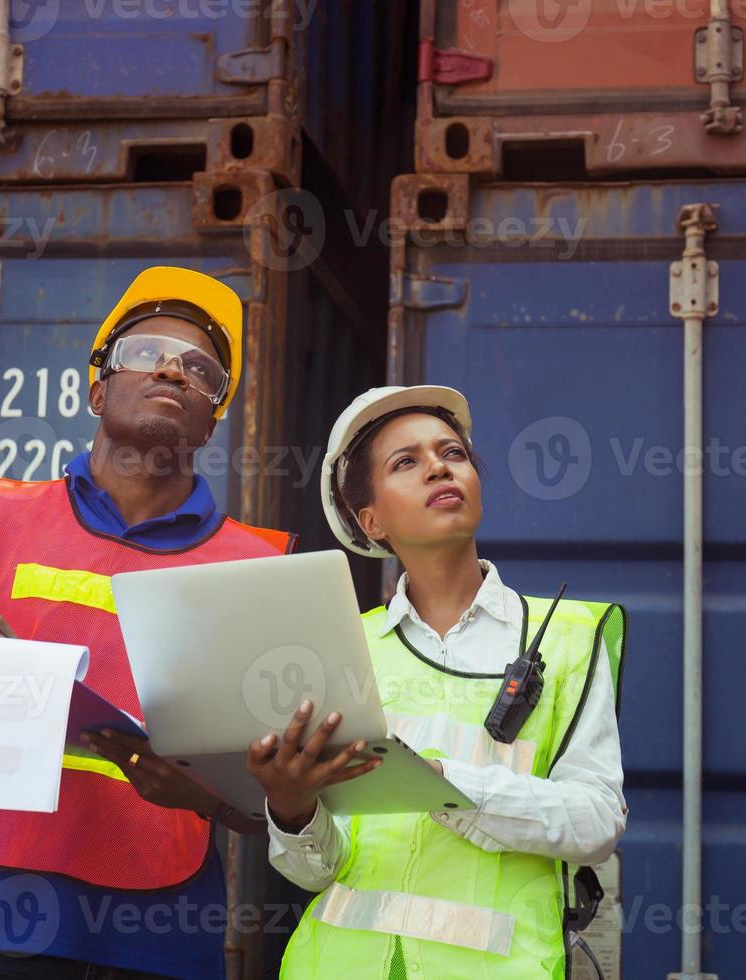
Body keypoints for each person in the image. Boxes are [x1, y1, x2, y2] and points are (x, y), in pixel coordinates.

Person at [0, 266, 294, 979]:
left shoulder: (254, 566)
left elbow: (282, 809)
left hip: (167, 940)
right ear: (97, 388)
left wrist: (212, 792)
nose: (172, 371)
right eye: (145, 353)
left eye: (200, 370)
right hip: (0, 929)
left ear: (213, 418)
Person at [245, 385, 627, 978]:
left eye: (452, 452)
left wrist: (447, 786)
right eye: (406, 462)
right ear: (370, 520)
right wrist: (292, 810)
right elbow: (318, 871)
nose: (439, 466)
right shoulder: (347, 646)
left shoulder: (570, 639)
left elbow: (598, 821)